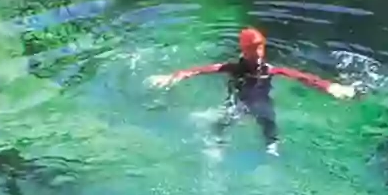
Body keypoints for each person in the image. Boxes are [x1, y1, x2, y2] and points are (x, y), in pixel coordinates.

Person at [148, 27, 356, 154]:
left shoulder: (270, 70)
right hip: (237, 102)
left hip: (261, 103)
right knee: (223, 124)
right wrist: (173, 76)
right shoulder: (233, 68)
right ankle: (216, 147)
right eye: (252, 50)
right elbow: (201, 70)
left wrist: (330, 86)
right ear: (244, 51)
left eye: (259, 49)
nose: (257, 55)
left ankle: (271, 150)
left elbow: (301, 77)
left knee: (268, 123)